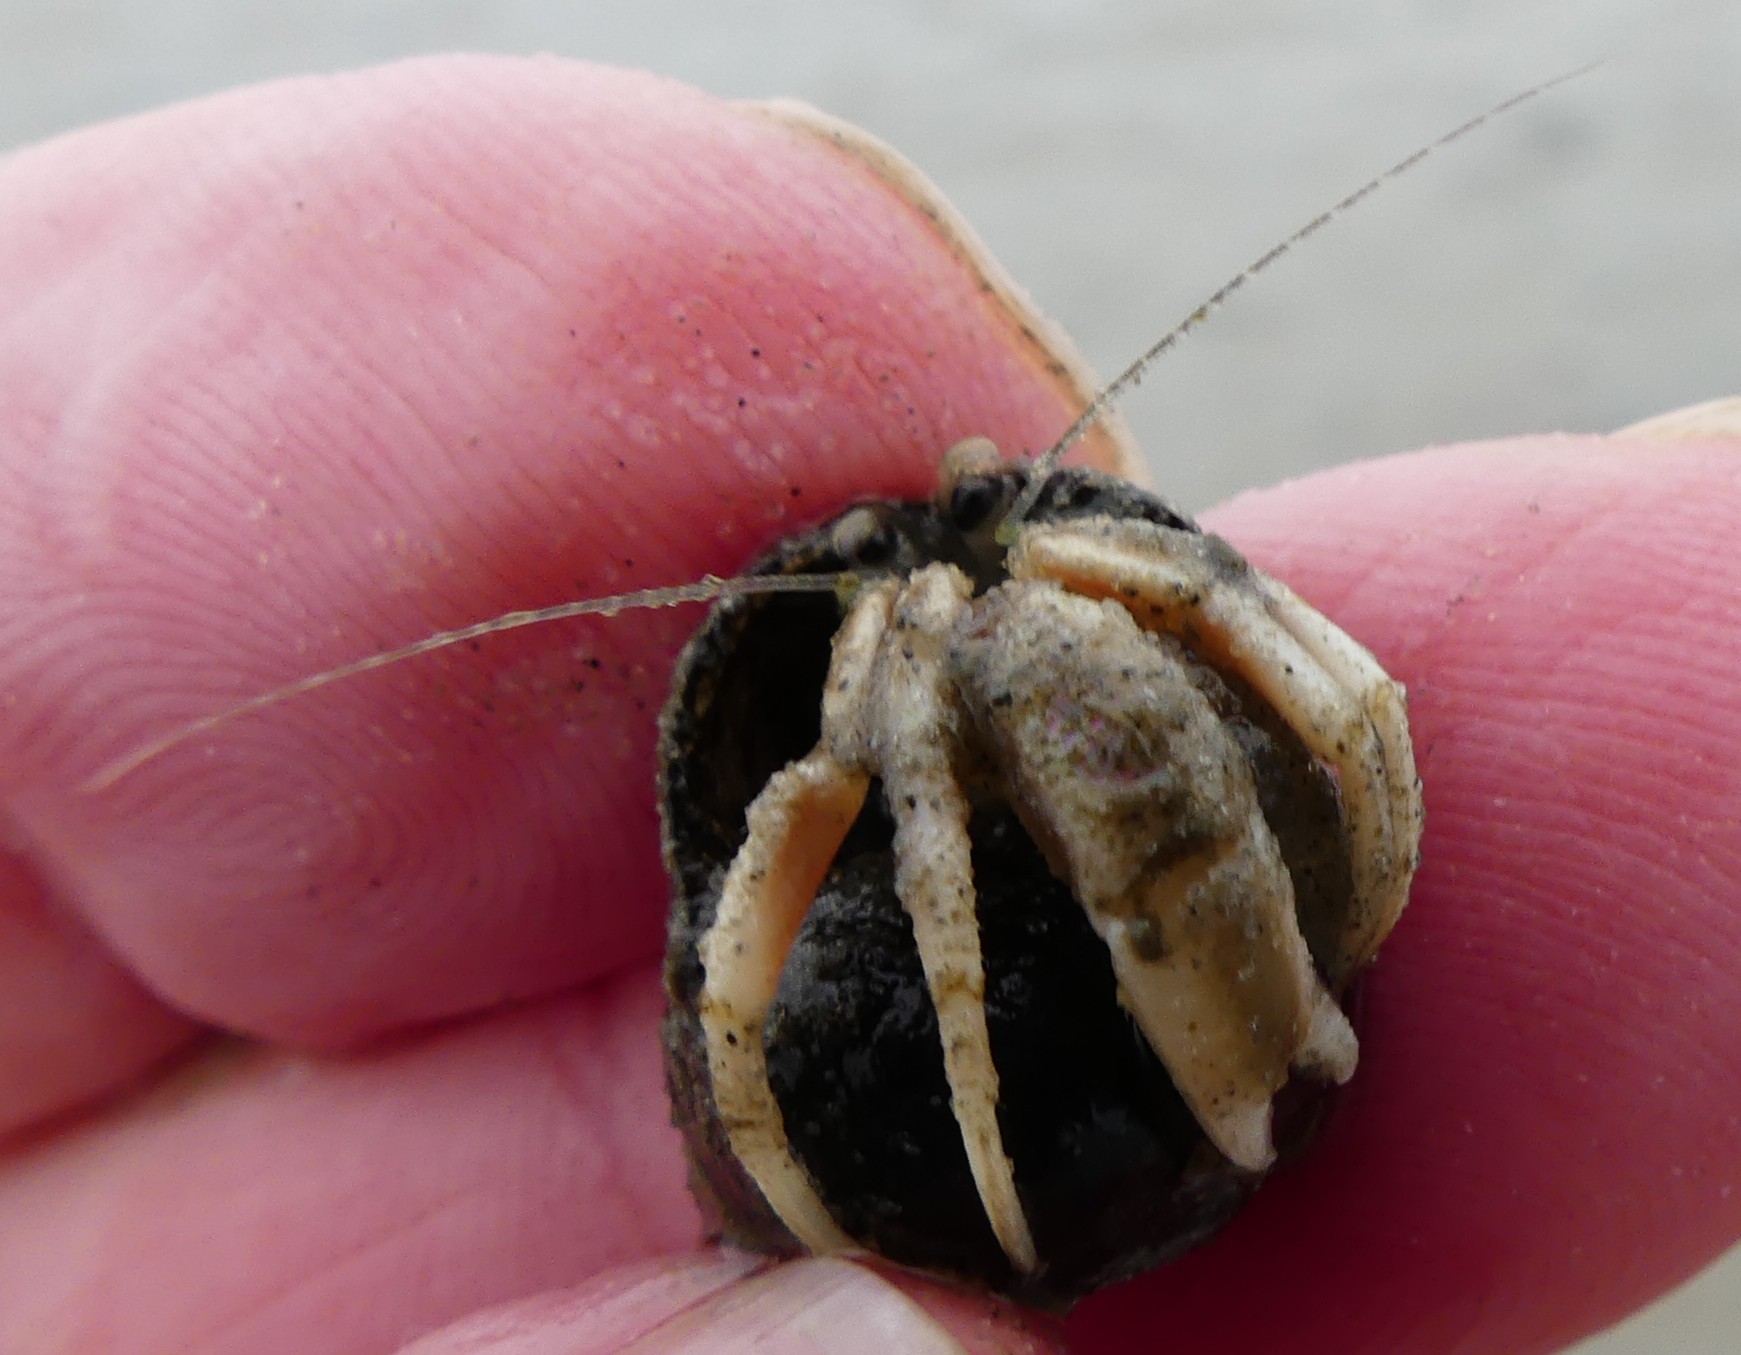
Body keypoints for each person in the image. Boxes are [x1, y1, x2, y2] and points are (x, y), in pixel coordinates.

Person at [0, 56, 1735, 1355]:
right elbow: (822, 812)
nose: (964, 615)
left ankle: (1246, 1072)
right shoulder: (871, 710)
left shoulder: (1048, 614)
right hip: (898, 1031)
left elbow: (1296, 677)